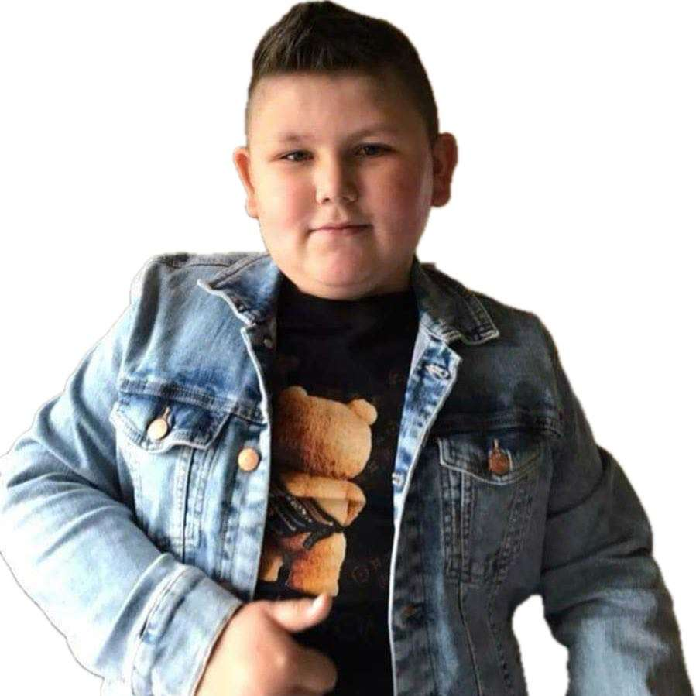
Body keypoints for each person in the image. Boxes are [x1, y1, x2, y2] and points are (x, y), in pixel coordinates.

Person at [0, 2, 692, 695]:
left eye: (371, 150)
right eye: (295, 155)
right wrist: (197, 641)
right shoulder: (168, 318)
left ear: (440, 168)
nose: (333, 186)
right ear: (249, 180)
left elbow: (604, 570)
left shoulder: (512, 362)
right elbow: (37, 484)